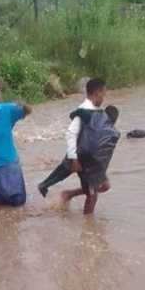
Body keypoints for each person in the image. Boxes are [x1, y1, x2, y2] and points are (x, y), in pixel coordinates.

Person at [37, 78, 112, 211]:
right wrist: (74, 158)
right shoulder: (83, 111)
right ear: (97, 92)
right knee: (92, 195)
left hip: (88, 158)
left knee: (104, 185)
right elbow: (71, 134)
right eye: (103, 94)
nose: (104, 97)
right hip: (80, 158)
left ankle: (68, 194)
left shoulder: (95, 111)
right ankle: (88, 223)